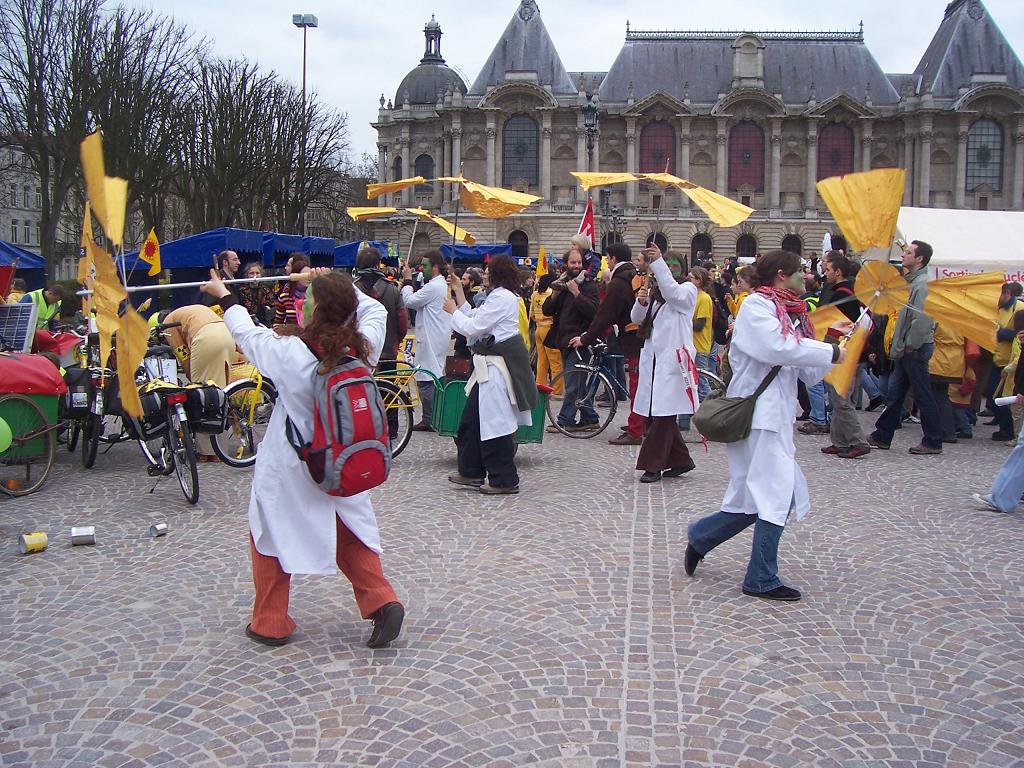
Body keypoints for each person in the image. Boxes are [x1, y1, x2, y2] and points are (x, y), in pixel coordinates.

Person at [201, 267, 404, 649]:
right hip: (342, 459)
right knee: (351, 532)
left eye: (309, 297)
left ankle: (270, 621)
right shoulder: (363, 347)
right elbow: (376, 311)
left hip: (295, 464)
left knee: (268, 535)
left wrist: (224, 294)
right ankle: (382, 600)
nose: (303, 300)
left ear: (317, 309)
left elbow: (247, 332)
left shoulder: (290, 353)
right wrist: (337, 286)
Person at [684, 250, 845, 602]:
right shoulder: (757, 307)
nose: (807, 277)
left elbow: (809, 372)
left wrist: (834, 344)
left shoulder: (794, 313)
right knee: (775, 495)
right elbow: (777, 348)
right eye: (801, 272)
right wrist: (824, 351)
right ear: (782, 274)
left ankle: (702, 536)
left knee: (753, 497)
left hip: (774, 417)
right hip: (757, 416)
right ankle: (760, 576)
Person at [444, 255, 535, 494]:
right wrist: (458, 293)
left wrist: (453, 312)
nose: (484, 274)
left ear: (497, 274)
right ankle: (471, 470)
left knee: (496, 424)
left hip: (496, 370)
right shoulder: (499, 297)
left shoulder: (503, 297)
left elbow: (474, 327)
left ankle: (504, 479)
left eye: (487, 271)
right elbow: (476, 315)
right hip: (487, 368)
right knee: (471, 421)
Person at [867, 241, 944, 455]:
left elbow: (922, 320)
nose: (903, 256)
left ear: (919, 259)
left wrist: (910, 345)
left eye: (908, 253)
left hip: (914, 348)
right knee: (895, 393)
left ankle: (933, 440)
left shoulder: (921, 284)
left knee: (922, 394)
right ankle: (882, 434)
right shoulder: (913, 282)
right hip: (907, 347)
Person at [630, 245, 698, 482]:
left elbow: (674, 293)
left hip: (672, 364)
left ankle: (653, 464)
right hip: (654, 363)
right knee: (657, 414)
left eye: (673, 266)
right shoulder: (657, 296)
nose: (669, 270)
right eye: (666, 265)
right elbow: (637, 320)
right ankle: (681, 459)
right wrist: (641, 302)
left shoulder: (687, 291)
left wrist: (657, 264)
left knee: (662, 416)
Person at [570, 242, 642, 445]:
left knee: (637, 388)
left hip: (634, 340)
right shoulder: (633, 276)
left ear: (613, 258)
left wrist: (585, 339)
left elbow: (604, 315)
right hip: (640, 338)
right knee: (640, 386)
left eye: (607, 259)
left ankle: (636, 430)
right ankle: (642, 422)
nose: (606, 263)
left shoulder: (618, 283)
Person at [162, 303, 236, 461]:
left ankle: (207, 452)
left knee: (201, 395)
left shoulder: (168, 325)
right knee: (220, 393)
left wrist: (191, 378)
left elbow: (184, 358)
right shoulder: (186, 312)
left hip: (206, 339)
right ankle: (220, 449)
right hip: (227, 335)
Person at [817, 251, 871, 459]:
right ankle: (839, 441)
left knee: (841, 398)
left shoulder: (843, 294)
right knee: (837, 395)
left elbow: (830, 320)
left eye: (827, 269)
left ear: (838, 272)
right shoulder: (850, 290)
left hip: (846, 350)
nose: (824, 272)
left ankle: (858, 441)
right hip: (849, 350)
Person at [543, 248, 600, 432]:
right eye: (573, 263)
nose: (576, 266)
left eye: (579, 263)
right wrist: (554, 296)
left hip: (579, 341)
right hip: (563, 340)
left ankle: (565, 420)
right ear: (566, 264)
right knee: (578, 382)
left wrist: (577, 294)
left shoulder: (589, 285)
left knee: (573, 383)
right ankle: (589, 418)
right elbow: (547, 311)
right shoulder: (561, 284)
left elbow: (593, 311)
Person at [401, 249, 451, 431]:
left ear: (435, 267)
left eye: (426, 265)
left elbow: (410, 301)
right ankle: (432, 416)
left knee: (427, 377)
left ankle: (430, 418)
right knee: (432, 374)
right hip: (435, 336)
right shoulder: (439, 285)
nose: (422, 268)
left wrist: (407, 280)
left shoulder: (434, 286)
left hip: (431, 338)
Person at [985, 282, 1022, 441]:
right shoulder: (999, 308)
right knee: (992, 392)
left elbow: (1018, 333)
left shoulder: (1019, 308)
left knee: (1007, 396)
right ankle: (1003, 425)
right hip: (998, 357)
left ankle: (1008, 431)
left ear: (1007, 293)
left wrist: (1000, 333)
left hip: (1011, 362)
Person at [530, 274, 563, 395]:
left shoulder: (534, 294)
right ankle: (557, 390)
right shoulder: (551, 293)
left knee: (541, 361)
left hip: (538, 328)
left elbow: (532, 314)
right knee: (555, 361)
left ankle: (540, 386)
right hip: (549, 328)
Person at [20, 284, 65, 354]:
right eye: (55, 299)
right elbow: (20, 318)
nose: (55, 302)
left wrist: (53, 335)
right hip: (27, 337)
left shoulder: (57, 302)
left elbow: (54, 322)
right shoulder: (31, 297)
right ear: (50, 293)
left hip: (43, 339)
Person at [273, 253, 310, 329]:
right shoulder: (285, 295)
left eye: (288, 265)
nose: (285, 268)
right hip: (292, 338)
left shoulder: (317, 295)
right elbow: (278, 323)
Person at [236, 262, 275, 326]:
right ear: (247, 275)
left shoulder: (265, 289)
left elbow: (272, 304)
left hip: (265, 321)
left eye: (257, 273)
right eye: (251, 273)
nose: (255, 275)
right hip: (247, 321)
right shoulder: (241, 290)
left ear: (261, 274)